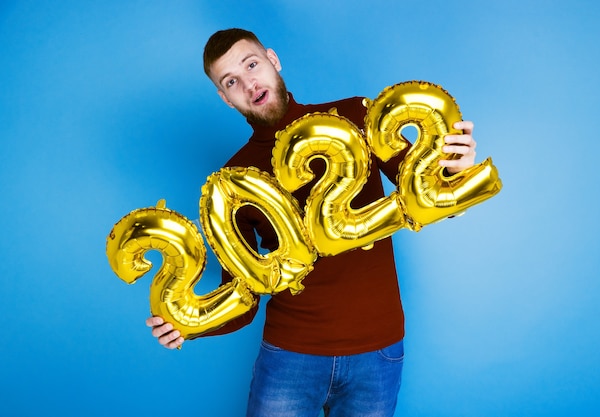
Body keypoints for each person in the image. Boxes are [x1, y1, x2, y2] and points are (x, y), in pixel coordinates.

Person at [146, 28, 477, 417]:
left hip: (378, 350)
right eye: (231, 81)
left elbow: (425, 195)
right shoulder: (233, 180)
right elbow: (242, 295)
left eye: (252, 65)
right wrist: (189, 325)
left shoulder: (356, 115)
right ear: (225, 98)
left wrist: (456, 173)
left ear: (273, 60)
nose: (248, 83)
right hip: (289, 357)